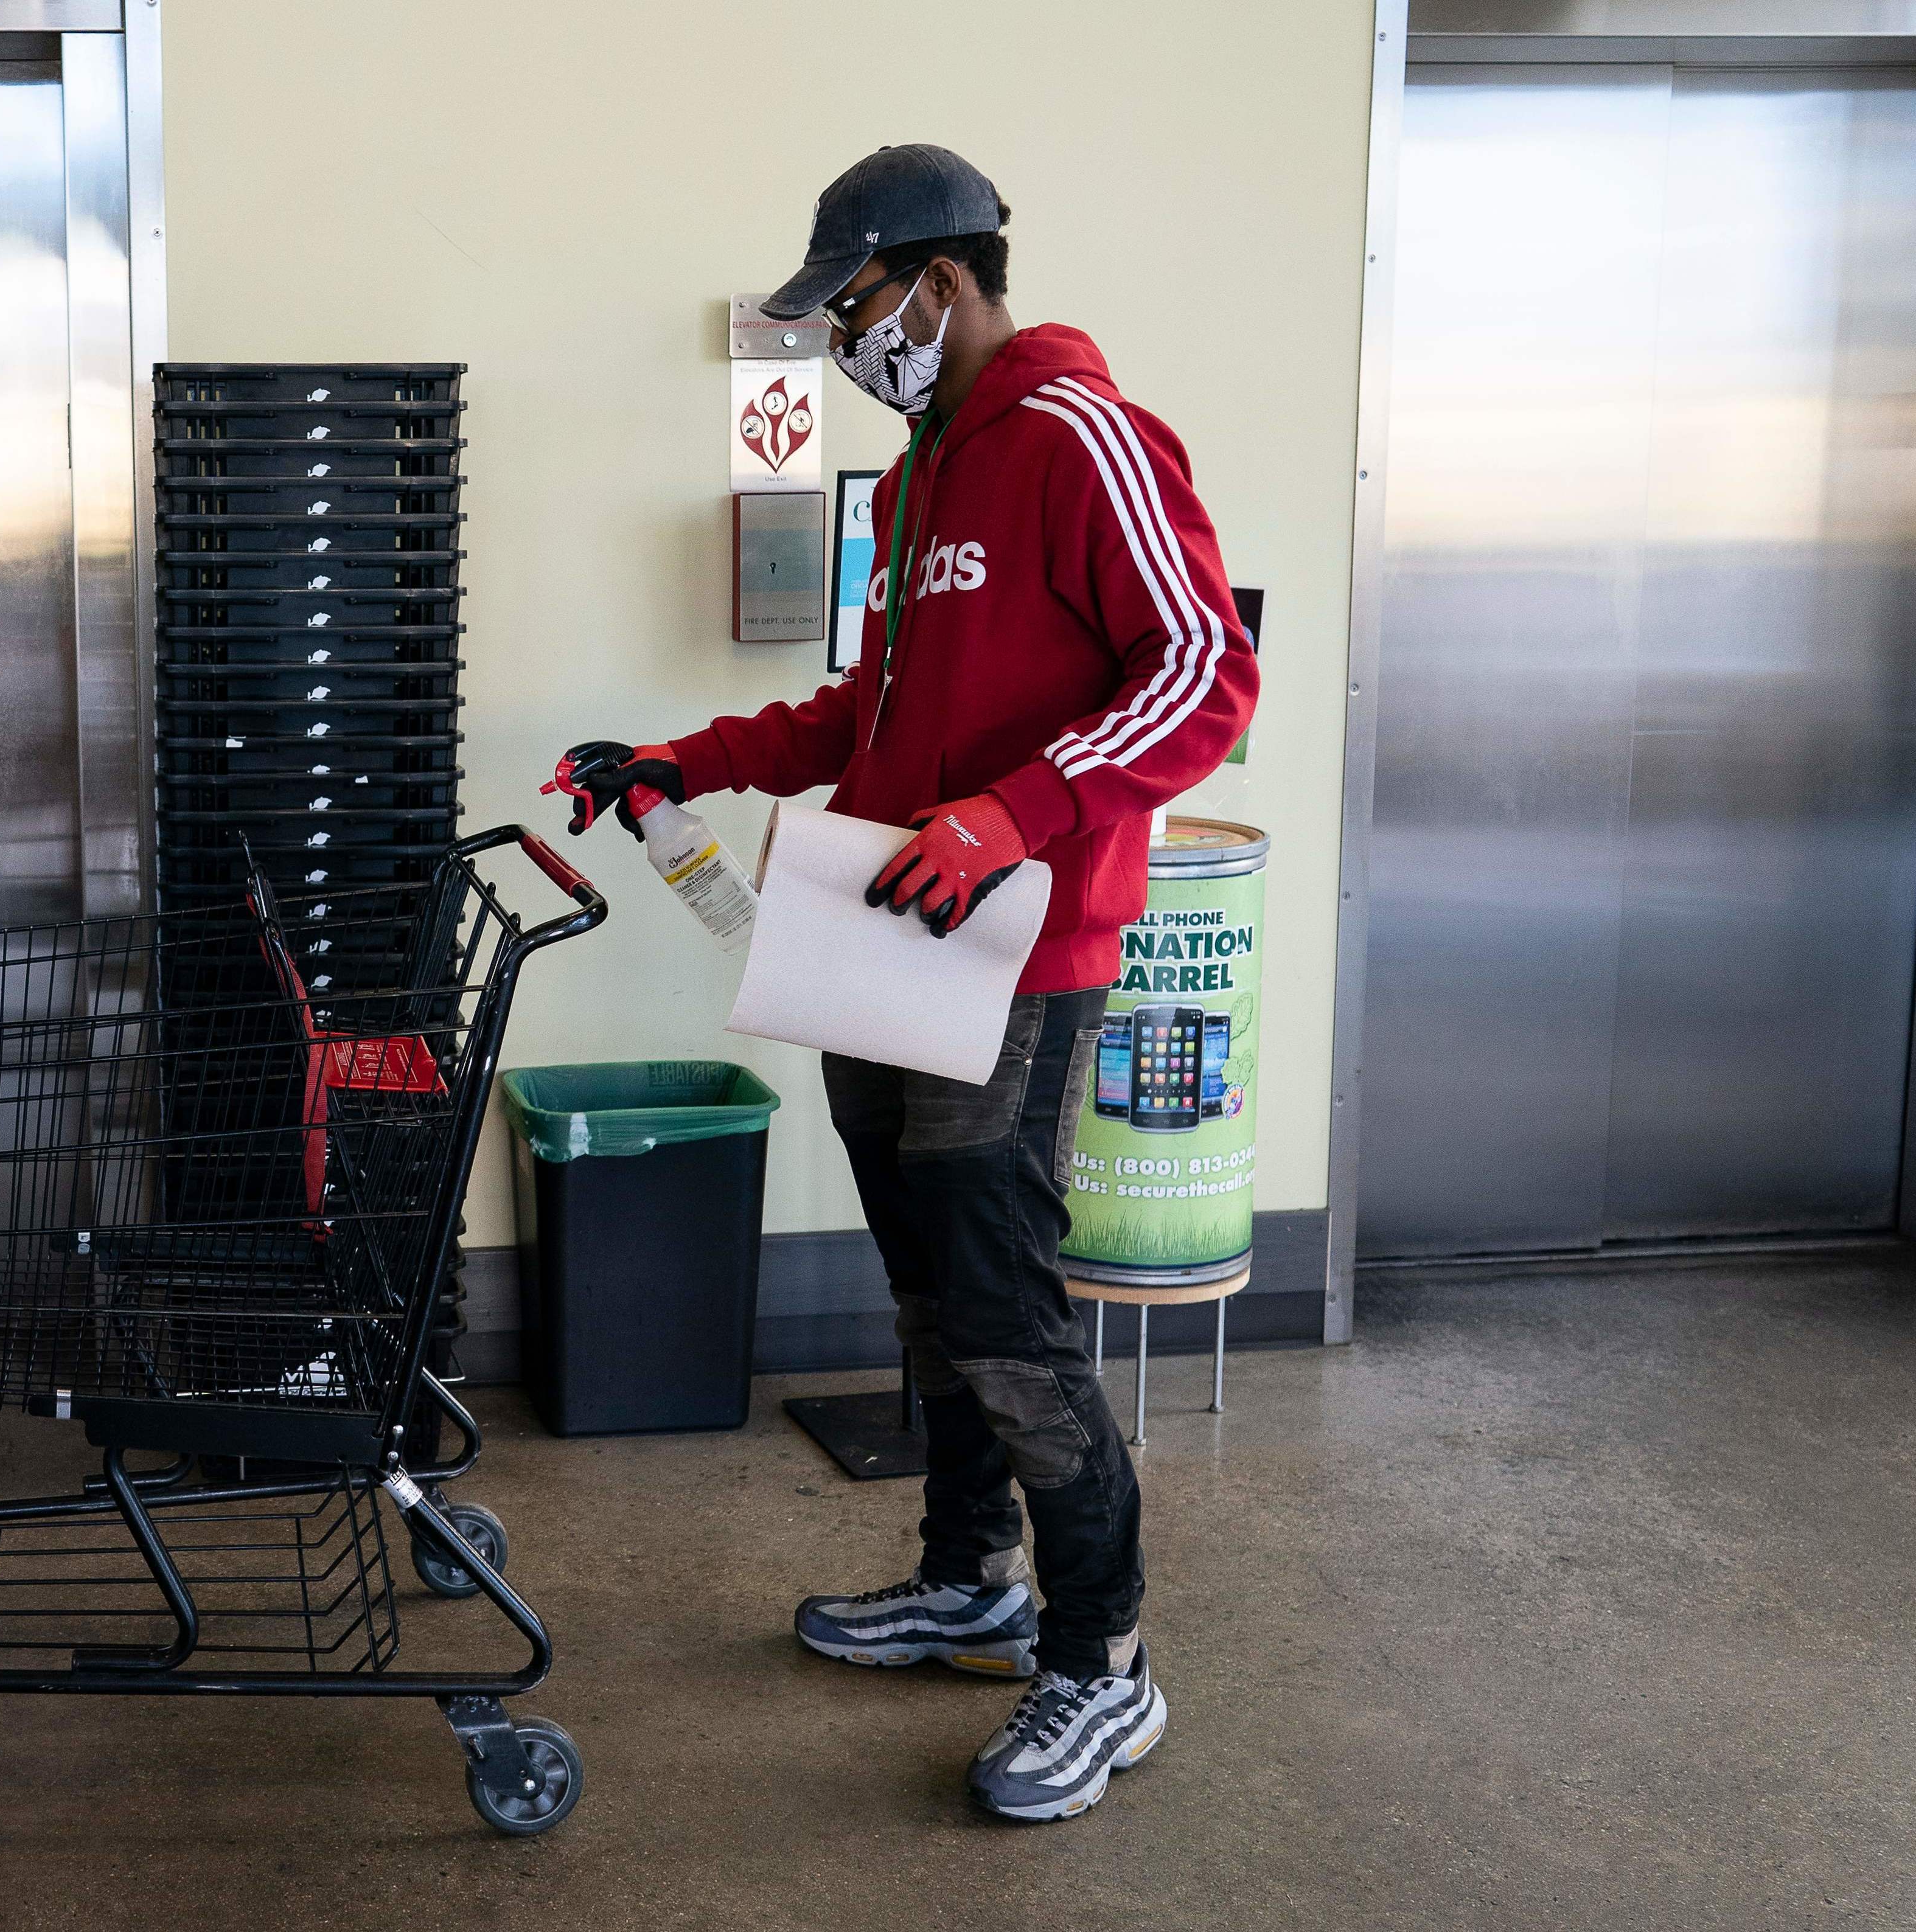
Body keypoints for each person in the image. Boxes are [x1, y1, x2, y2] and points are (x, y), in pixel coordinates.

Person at [559, 144, 1256, 1823]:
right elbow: (860, 717)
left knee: (1013, 1322)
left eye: (852, 309)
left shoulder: (1084, 440)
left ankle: (1102, 1664)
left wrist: (1015, 812)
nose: (838, 345)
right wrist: (685, 757)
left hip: (1015, 964)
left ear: (937, 285)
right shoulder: (924, 477)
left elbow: (1209, 669)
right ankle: (971, 1582)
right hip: (886, 941)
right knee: (933, 1306)